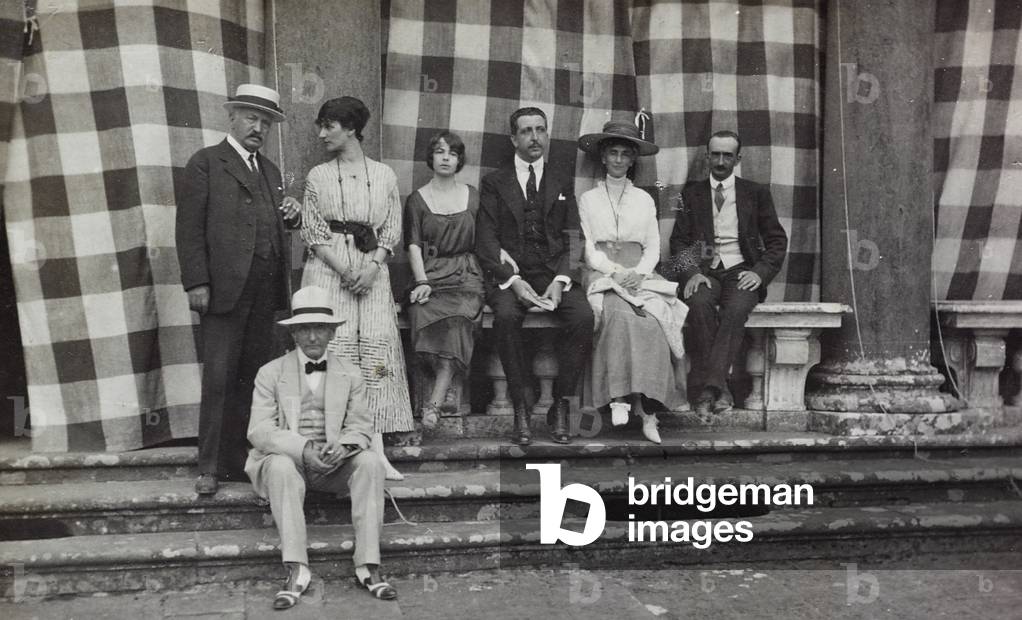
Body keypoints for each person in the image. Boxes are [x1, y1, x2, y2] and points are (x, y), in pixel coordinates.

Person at [175, 84, 302, 496]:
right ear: (232, 117)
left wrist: (292, 216)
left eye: (265, 122)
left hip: (265, 291)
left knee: (255, 376)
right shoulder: (206, 163)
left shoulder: (271, 172)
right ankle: (209, 466)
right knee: (219, 376)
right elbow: (189, 228)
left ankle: (241, 460)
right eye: (251, 118)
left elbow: (269, 224)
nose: (258, 128)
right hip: (223, 291)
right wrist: (197, 282)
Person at [245, 286, 395, 610]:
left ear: (332, 332)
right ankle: (296, 569)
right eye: (304, 329)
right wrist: (302, 449)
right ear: (294, 333)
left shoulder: (350, 372)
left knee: (370, 462)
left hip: (333, 466)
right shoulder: (270, 373)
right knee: (280, 465)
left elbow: (361, 425)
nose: (312, 336)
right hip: (290, 465)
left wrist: (344, 447)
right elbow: (259, 430)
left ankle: (368, 565)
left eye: (320, 328)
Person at [297, 96, 413, 481]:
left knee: (375, 355)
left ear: (351, 129)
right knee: (335, 353)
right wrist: (346, 270)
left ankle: (376, 451)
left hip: (372, 273)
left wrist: (372, 268)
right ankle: (336, 448)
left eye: (329, 126)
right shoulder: (318, 176)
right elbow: (313, 232)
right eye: (321, 125)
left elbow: (391, 229)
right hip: (328, 270)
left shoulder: (384, 175)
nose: (322, 134)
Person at [476, 106, 595, 445]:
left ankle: (560, 405)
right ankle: (521, 408)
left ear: (547, 135)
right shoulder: (494, 182)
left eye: (540, 130)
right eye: (526, 131)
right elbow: (486, 240)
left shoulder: (560, 179)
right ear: (514, 138)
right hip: (510, 274)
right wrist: (512, 281)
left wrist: (561, 280)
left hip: (551, 271)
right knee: (506, 316)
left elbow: (574, 237)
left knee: (583, 317)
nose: (534, 137)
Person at [576, 121, 688, 444]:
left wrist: (639, 272)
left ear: (633, 159)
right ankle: (619, 398)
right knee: (618, 315)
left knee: (654, 321)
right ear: (602, 156)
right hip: (602, 272)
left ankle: (649, 410)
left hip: (639, 273)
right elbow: (587, 247)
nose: (618, 159)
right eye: (613, 153)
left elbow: (653, 245)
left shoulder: (644, 200)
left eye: (625, 154)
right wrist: (614, 271)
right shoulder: (588, 199)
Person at [667, 130, 788, 420]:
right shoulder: (691, 194)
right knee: (698, 303)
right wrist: (691, 273)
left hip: (741, 270)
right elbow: (678, 242)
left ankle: (708, 389)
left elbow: (777, 241)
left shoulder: (755, 193)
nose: (721, 161)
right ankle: (720, 389)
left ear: (738, 159)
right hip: (705, 271)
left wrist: (759, 273)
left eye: (727, 156)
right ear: (707, 157)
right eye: (716, 155)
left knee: (736, 309)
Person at [405, 131, 485, 427]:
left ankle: (434, 404)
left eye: (452, 153)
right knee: (421, 312)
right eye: (440, 151)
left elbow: (485, 238)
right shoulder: (417, 200)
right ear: (431, 157)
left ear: (459, 159)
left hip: (466, 276)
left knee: (458, 320)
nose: (446, 158)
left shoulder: (472, 196)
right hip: (430, 275)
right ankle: (440, 384)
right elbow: (413, 244)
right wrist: (421, 281)